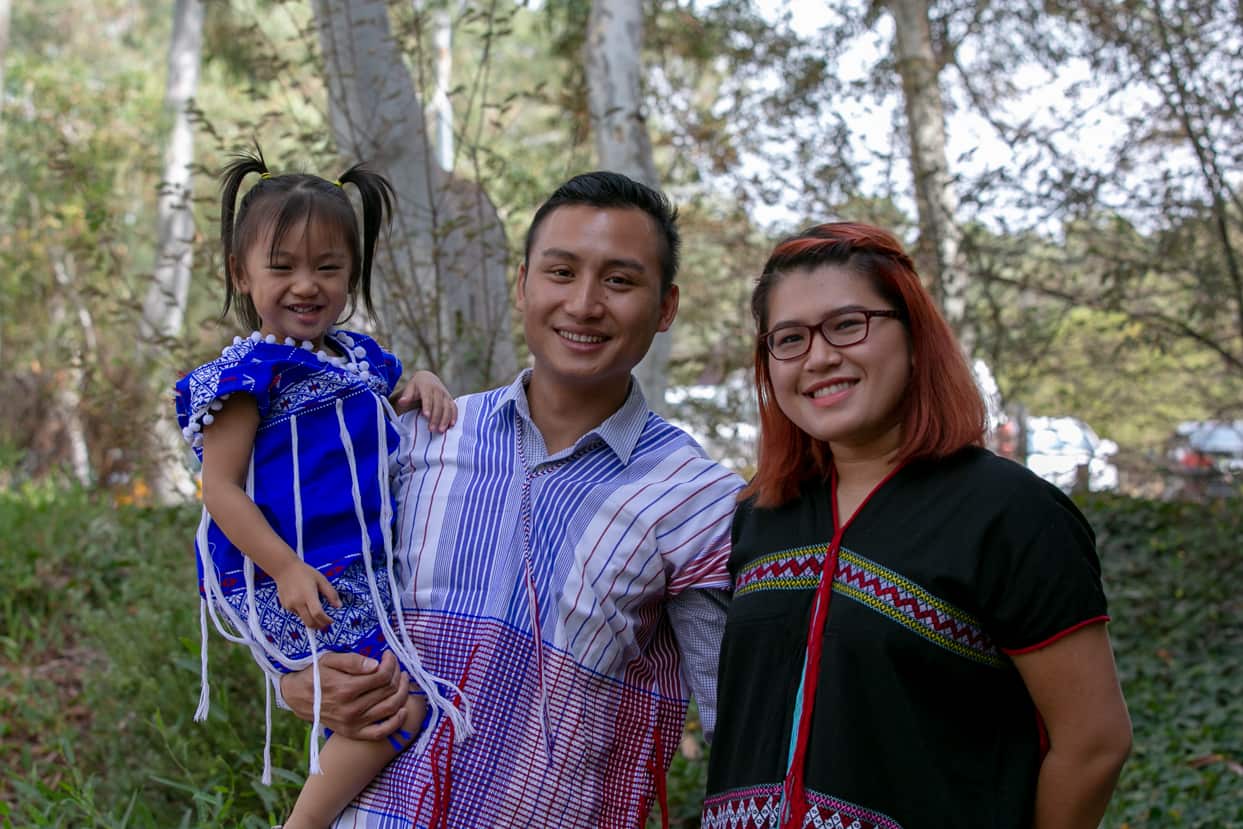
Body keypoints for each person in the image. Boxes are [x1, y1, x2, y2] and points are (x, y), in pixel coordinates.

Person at [278, 171, 745, 827]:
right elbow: (313, 584)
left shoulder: (697, 500)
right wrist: (295, 679)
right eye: (561, 272)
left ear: (665, 307)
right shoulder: (417, 436)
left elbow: (738, 723)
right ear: (523, 284)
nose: (583, 304)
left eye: (619, 280)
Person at [701, 222, 1132, 829]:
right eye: (790, 338)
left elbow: (1094, 743)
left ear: (913, 335)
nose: (819, 357)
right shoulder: (762, 515)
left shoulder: (1011, 514)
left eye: (847, 324)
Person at [174, 148, 469, 829]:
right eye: (282, 267)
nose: (306, 285)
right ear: (240, 273)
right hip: (291, 572)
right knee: (397, 704)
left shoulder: (356, 357)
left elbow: (391, 394)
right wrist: (284, 568)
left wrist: (421, 383)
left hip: (355, 566)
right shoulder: (247, 375)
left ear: (352, 273)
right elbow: (219, 489)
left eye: (328, 268)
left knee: (387, 697)